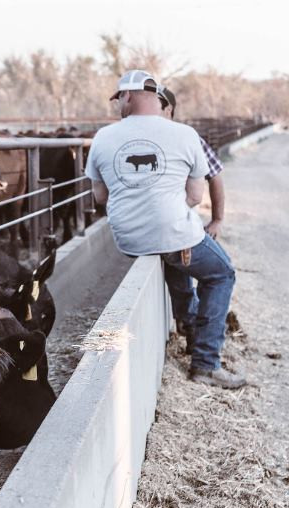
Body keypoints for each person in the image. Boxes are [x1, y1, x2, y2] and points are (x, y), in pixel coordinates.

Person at [85, 69, 245, 388]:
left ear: (128, 97)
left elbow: (101, 196)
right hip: (171, 232)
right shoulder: (184, 135)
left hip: (128, 239)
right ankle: (206, 363)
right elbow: (195, 196)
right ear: (158, 100)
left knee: (177, 255)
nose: (118, 105)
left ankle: (188, 323)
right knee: (222, 273)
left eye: (119, 99)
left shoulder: (103, 137)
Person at [158, 86, 225, 352]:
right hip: (162, 227)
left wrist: (218, 219)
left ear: (168, 111)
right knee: (182, 282)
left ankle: (201, 344)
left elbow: (215, 174)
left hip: (182, 225)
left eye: (156, 105)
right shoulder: (141, 137)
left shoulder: (186, 137)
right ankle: (193, 334)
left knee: (215, 274)